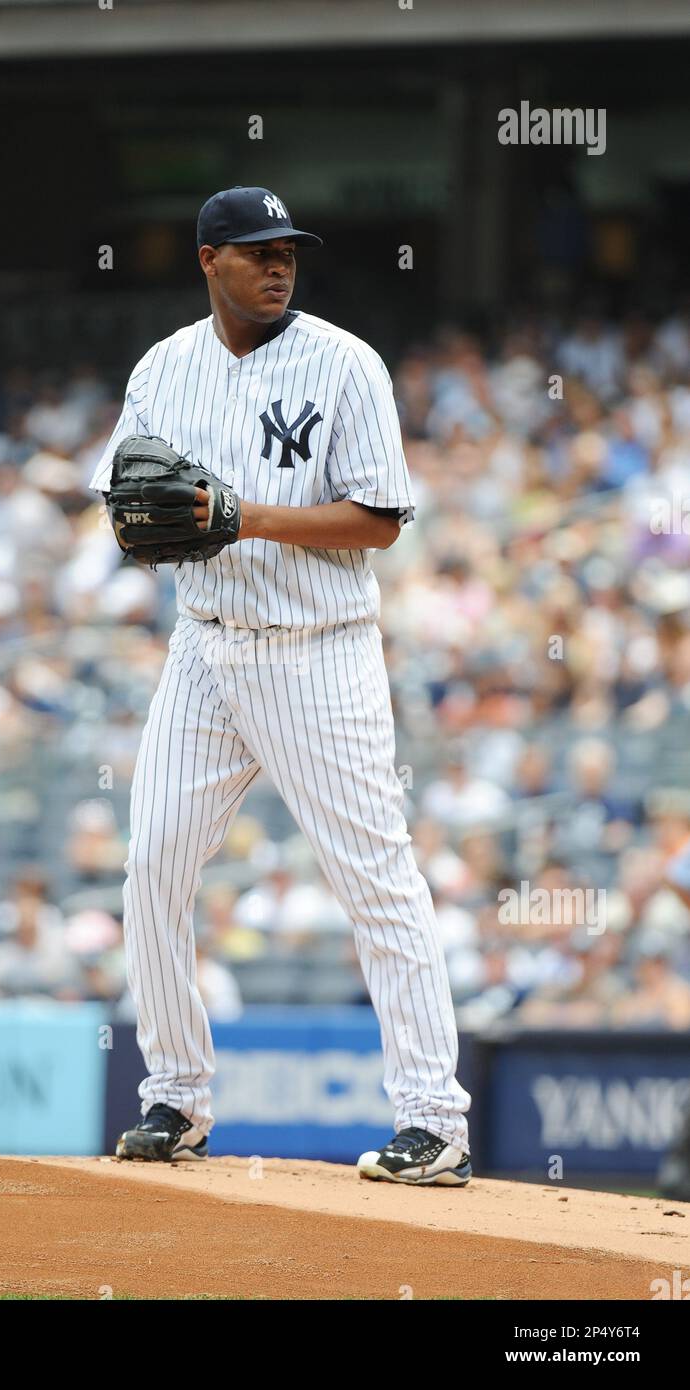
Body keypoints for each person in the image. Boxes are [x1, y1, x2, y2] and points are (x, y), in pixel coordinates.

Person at [90, 186, 471, 1185]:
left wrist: (241, 515)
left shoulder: (344, 363)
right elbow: (125, 506)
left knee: (374, 881)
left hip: (319, 647)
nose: (277, 264)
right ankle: (175, 1095)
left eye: (287, 251)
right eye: (255, 250)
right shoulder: (162, 368)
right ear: (207, 259)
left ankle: (434, 1118)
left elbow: (381, 519)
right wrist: (151, 524)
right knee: (152, 867)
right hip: (204, 648)